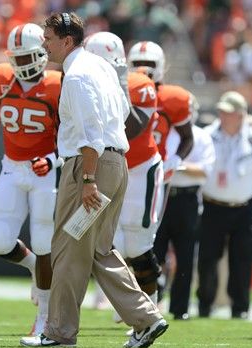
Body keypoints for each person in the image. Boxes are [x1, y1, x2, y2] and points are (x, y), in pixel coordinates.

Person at [20, 12, 167, 348]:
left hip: (91, 167)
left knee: (68, 248)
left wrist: (87, 178)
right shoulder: (98, 66)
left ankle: (59, 332)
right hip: (116, 164)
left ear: (66, 40)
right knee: (98, 249)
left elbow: (90, 134)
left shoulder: (77, 77)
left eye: (49, 38)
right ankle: (147, 318)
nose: (44, 43)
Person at [0, 23, 61, 336]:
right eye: (17, 58)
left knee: (44, 241)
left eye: (28, 57)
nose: (21, 64)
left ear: (43, 55)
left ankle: (45, 319)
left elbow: (71, 132)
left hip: (45, 172)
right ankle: (35, 267)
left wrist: (51, 159)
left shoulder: (59, 85)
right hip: (11, 167)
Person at [84, 31, 164, 314]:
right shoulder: (78, 83)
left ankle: (150, 304)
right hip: (104, 167)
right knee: (106, 240)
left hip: (140, 166)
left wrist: (118, 86)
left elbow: (130, 129)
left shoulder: (139, 84)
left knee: (138, 244)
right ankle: (121, 301)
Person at [197, 91, 252, 320]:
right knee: (208, 258)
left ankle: (240, 308)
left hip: (245, 207)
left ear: (241, 115)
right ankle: (205, 304)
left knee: (242, 259)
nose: (222, 115)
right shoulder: (206, 135)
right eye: (221, 110)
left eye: (228, 112)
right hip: (212, 205)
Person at [154, 116, 215, 320]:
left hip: (187, 198)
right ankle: (152, 301)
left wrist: (178, 165)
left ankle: (180, 308)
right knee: (154, 252)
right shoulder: (166, 131)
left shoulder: (201, 136)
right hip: (162, 194)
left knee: (185, 255)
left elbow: (205, 170)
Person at [127, 41, 194, 183]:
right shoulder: (119, 93)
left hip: (153, 168)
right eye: (137, 62)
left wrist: (176, 159)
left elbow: (187, 137)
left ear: (161, 65)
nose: (142, 68)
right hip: (122, 168)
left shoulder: (172, 98)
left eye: (149, 63)